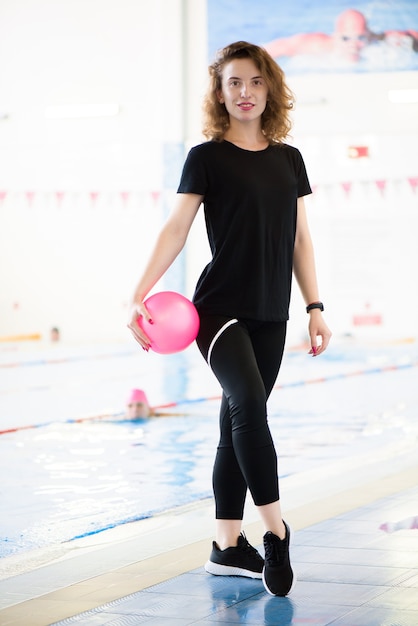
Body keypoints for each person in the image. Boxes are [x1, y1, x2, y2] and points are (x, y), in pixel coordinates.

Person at [128, 41, 331, 597]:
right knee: (248, 406)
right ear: (220, 93)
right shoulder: (207, 157)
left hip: (272, 312)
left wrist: (314, 307)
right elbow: (175, 229)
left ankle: (225, 545)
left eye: (255, 82)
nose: (245, 93)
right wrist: (138, 293)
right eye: (234, 83)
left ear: (271, 89)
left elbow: (300, 240)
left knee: (232, 426)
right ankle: (277, 532)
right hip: (218, 308)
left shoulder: (289, 160)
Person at [264, 9, 418, 65]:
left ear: (368, 35)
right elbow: (274, 48)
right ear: (336, 36)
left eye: (360, 38)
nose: (353, 45)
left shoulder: (377, 40)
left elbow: (411, 36)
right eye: (346, 39)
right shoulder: (318, 45)